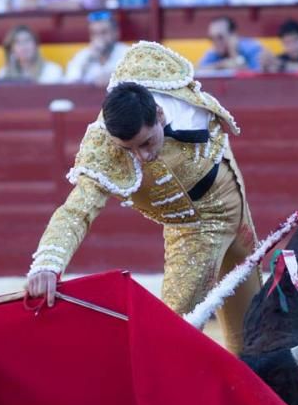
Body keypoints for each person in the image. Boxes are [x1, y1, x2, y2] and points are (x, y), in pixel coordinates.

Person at [25, 42, 260, 355]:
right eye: (129, 149)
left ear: (159, 115)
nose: (142, 156)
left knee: (254, 324)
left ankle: (256, 392)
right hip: (194, 229)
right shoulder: (104, 150)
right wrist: (47, 264)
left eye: (147, 142)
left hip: (236, 200)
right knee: (174, 335)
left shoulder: (166, 84)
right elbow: (76, 211)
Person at [65, 11, 130, 85]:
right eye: (94, 33)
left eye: (104, 32)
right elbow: (70, 83)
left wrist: (114, 77)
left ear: (116, 33)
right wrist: (88, 61)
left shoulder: (128, 54)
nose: (99, 38)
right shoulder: (83, 55)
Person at [0, 25, 65, 82]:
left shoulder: (52, 70)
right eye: (17, 42)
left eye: (27, 40)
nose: (23, 46)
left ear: (36, 46)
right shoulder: (3, 73)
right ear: (11, 50)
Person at [198, 16, 265, 71]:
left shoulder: (253, 49)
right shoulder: (213, 53)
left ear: (233, 35)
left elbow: (254, 79)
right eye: (212, 38)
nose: (215, 42)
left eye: (220, 37)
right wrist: (223, 65)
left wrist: (234, 53)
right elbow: (198, 70)